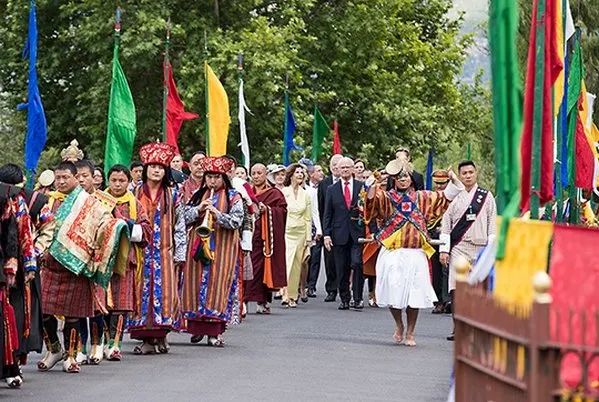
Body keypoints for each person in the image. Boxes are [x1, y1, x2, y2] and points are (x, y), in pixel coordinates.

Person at [38, 161, 128, 373]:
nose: (61, 182)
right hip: (49, 265)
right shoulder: (48, 201)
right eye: (58, 178)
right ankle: (53, 349)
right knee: (43, 312)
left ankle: (70, 357)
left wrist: (113, 227)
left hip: (76, 266)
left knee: (72, 316)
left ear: (75, 178)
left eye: (65, 178)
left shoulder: (91, 203)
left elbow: (107, 225)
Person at [364, 158, 463, 346]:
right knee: (394, 295)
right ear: (394, 179)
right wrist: (371, 184)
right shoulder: (386, 197)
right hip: (393, 252)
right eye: (400, 177)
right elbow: (370, 202)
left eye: (406, 176)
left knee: (414, 295)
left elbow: (446, 197)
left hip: (415, 253)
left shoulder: (423, 197)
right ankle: (399, 325)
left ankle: (410, 332)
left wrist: (453, 179)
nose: (403, 180)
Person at [129, 142, 187, 355]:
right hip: (139, 251)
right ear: (145, 169)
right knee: (140, 293)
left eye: (161, 167)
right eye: (152, 166)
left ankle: (161, 335)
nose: (156, 170)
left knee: (165, 293)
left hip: (165, 252)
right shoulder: (134, 192)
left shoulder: (174, 194)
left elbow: (180, 224)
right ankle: (147, 340)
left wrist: (180, 252)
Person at [182, 156, 244, 346]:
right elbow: (183, 217)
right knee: (195, 285)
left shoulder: (234, 196)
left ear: (223, 178)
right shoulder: (198, 195)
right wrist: (199, 210)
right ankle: (196, 328)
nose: (212, 181)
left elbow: (237, 221)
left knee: (218, 286)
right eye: (209, 177)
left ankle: (214, 332)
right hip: (198, 247)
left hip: (223, 248)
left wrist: (217, 214)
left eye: (216, 177)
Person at [0, 165, 53, 387]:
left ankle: (15, 365)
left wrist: (33, 256)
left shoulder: (32, 201)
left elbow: (46, 227)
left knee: (19, 317)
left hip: (21, 269)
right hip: (8, 264)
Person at [439, 160, 497, 341]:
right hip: (460, 247)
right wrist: (444, 250)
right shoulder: (455, 197)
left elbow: (492, 224)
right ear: (460, 174)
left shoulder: (486, 197)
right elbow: (446, 225)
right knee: (456, 288)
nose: (468, 176)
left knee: (480, 289)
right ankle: (458, 327)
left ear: (476, 173)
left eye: (471, 172)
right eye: (464, 173)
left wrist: (491, 250)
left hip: (480, 247)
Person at [104, 165, 152, 360]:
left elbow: (147, 231)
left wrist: (125, 225)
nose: (117, 184)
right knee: (102, 304)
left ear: (128, 181)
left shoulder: (135, 204)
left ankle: (115, 344)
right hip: (102, 260)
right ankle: (102, 342)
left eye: (121, 181)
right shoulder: (99, 201)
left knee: (121, 304)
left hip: (125, 260)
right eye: (113, 180)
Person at [74, 159, 106, 365]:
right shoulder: (65, 201)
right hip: (74, 259)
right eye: (77, 176)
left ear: (93, 177)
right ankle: (79, 346)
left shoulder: (105, 201)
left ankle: (97, 343)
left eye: (85, 176)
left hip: (96, 259)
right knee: (75, 305)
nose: (81, 180)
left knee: (96, 305)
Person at [244, 164, 287, 314]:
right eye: (253, 173)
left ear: (266, 174)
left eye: (259, 173)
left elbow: (282, 211)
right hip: (249, 235)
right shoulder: (245, 192)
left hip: (266, 238)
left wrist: (267, 210)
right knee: (248, 268)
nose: (256, 176)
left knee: (263, 269)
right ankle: (244, 300)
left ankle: (262, 302)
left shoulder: (274, 193)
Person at [323, 157, 365, 310]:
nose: (345, 170)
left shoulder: (361, 187)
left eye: (348, 167)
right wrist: (326, 234)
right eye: (343, 168)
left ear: (353, 169)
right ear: (338, 170)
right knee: (342, 268)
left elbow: (367, 211)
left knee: (357, 263)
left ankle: (358, 297)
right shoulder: (331, 190)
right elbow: (327, 214)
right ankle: (345, 298)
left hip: (357, 233)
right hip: (338, 233)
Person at [281, 163, 312, 308]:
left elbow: (308, 217)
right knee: (287, 262)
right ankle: (284, 293)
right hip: (286, 231)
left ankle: (293, 296)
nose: (300, 175)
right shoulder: (283, 191)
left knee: (296, 265)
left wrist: (308, 238)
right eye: (297, 172)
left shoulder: (306, 194)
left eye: (302, 173)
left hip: (300, 232)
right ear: (291, 174)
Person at [318, 154, 343, 302]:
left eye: (338, 164)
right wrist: (324, 229)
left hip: (344, 227)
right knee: (329, 260)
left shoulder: (352, 183)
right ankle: (331, 289)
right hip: (329, 227)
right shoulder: (324, 184)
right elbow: (321, 208)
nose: (335, 167)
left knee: (343, 260)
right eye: (333, 164)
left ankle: (344, 287)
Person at [428, 170, 451, 314]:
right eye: (437, 183)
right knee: (436, 269)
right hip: (433, 234)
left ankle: (448, 299)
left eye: (443, 184)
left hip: (449, 236)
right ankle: (438, 301)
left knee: (447, 269)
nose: (440, 186)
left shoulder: (453, 198)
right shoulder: (430, 197)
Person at [304, 162, 324, 298]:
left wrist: (319, 229)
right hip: (298, 228)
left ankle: (311, 286)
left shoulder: (314, 191)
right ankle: (301, 285)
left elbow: (316, 211)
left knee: (315, 257)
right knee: (303, 258)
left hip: (313, 227)